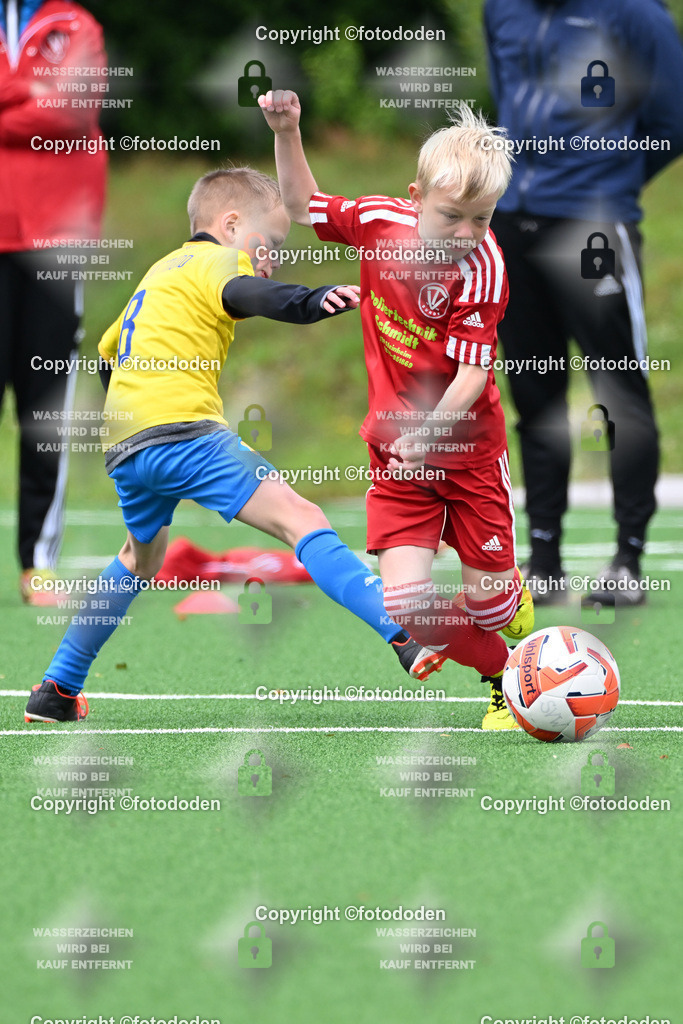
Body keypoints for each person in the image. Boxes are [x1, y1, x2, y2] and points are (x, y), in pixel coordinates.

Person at [24, 167, 444, 724]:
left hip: (127, 444)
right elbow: (246, 292)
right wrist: (310, 300)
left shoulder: (158, 273)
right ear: (230, 225)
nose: (269, 257)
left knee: (139, 558)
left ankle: (58, 687)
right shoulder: (218, 261)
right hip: (184, 434)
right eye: (267, 243)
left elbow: (106, 355)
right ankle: (402, 632)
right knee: (302, 518)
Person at [260, 90, 534, 730]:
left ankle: (503, 604)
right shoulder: (378, 220)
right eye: (452, 217)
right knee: (408, 604)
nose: (468, 234)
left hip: (467, 455)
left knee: (489, 603)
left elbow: (473, 374)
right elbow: (302, 206)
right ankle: (507, 678)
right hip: (397, 455)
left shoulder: (484, 270)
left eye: (483, 220)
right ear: (415, 199)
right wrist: (288, 130)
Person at [484, 0, 683, 606]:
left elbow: (671, 120)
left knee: (619, 392)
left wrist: (604, 181)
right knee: (534, 394)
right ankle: (543, 558)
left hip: (594, 225)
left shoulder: (637, 15)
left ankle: (628, 558)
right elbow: (506, 106)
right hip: (512, 223)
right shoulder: (501, 9)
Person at [0, 0, 107, 603]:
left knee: (45, 411)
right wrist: (27, 96)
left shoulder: (75, 24)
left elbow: (68, 113)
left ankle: (37, 564)